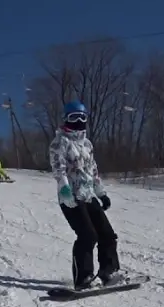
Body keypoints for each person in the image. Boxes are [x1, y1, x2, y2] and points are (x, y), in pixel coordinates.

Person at [49, 101, 120, 290]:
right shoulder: (59, 143)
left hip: (88, 195)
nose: (79, 121)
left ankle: (109, 271)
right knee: (87, 235)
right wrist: (65, 192)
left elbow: (93, 171)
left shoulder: (87, 144)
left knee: (107, 234)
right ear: (66, 119)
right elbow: (59, 170)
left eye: (82, 117)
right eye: (74, 117)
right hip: (71, 198)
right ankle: (84, 278)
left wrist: (101, 193)